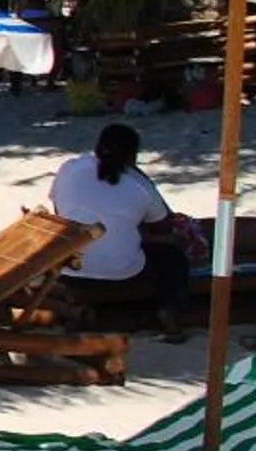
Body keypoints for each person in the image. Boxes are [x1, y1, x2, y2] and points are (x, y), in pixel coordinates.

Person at [51, 122, 191, 337]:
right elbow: (162, 225)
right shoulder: (138, 184)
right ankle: (168, 312)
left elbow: (60, 211)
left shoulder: (69, 169)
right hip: (124, 276)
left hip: (70, 272)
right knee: (173, 258)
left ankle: (77, 305)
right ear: (132, 156)